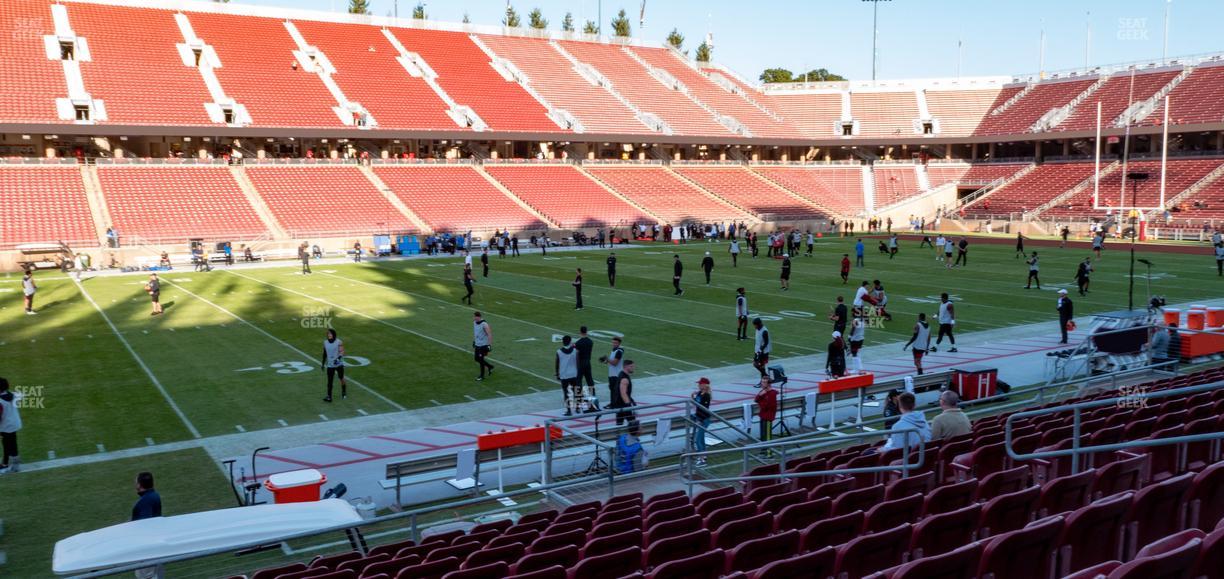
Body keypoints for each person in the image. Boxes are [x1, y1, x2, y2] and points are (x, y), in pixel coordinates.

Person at [0, 378, 21, 474]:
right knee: (10, 443)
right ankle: (7, 462)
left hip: (6, 425)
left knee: (8, 444)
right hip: (14, 423)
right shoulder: (12, 395)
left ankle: (12, 465)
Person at [556, 336, 580, 415]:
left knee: (566, 393)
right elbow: (577, 362)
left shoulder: (559, 351)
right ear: (570, 342)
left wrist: (557, 374)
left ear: (563, 342)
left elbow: (557, 364)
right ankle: (577, 408)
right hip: (573, 374)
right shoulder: (575, 351)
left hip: (564, 375)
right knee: (576, 391)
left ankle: (569, 410)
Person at [320, 328, 347, 402]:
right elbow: (325, 353)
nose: (329, 335)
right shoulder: (325, 342)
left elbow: (342, 352)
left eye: (330, 333)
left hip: (338, 364)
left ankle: (344, 392)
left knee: (341, 378)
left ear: (333, 334)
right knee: (329, 381)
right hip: (330, 364)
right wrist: (323, 363)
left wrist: (338, 359)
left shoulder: (339, 342)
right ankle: (329, 396)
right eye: (328, 334)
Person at [690, 378, 712, 464]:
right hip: (699, 418)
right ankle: (704, 456)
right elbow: (696, 404)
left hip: (704, 419)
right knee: (701, 438)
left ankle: (702, 459)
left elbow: (704, 408)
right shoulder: (699, 393)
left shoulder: (707, 395)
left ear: (704, 385)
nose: (698, 385)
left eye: (700, 384)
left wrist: (701, 420)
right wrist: (692, 397)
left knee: (698, 439)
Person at [602, 337, 626, 411]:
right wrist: (605, 361)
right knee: (612, 389)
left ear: (619, 343)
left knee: (615, 390)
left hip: (616, 375)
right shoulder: (614, 351)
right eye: (613, 342)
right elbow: (612, 362)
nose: (613, 344)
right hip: (612, 374)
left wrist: (608, 359)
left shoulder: (619, 351)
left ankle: (614, 404)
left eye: (615, 343)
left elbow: (615, 363)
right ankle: (613, 403)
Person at [612, 359, 637, 426]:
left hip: (619, 404)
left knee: (619, 424)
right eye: (631, 366)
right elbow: (623, 393)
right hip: (624, 405)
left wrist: (631, 399)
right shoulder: (625, 379)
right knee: (633, 424)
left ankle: (618, 435)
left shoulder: (621, 374)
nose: (633, 368)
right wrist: (629, 405)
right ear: (626, 367)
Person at [755, 375, 778, 442]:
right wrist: (760, 395)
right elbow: (756, 400)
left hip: (768, 417)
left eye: (764, 382)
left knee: (767, 436)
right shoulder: (763, 391)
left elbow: (766, 406)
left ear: (769, 384)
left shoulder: (772, 393)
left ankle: (768, 451)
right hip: (762, 415)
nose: (762, 384)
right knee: (762, 435)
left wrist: (760, 402)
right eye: (762, 382)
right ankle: (763, 450)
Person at [472, 311, 494, 380]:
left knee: (481, 360)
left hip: (483, 345)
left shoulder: (484, 324)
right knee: (476, 358)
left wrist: (489, 345)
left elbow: (489, 334)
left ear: (478, 317)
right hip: (477, 344)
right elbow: (476, 333)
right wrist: (474, 341)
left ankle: (482, 376)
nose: (473, 318)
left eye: (475, 317)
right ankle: (490, 366)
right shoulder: (474, 323)